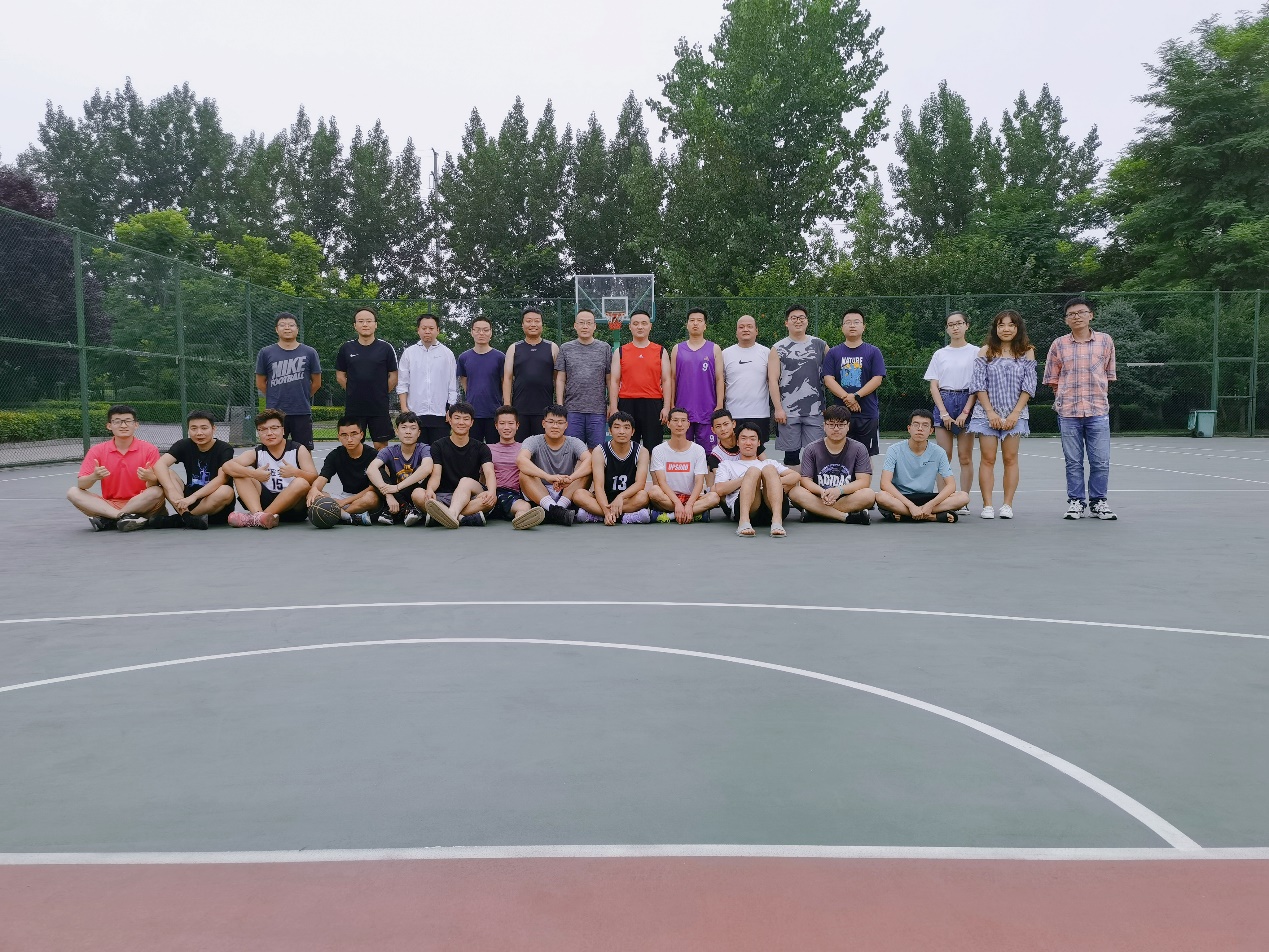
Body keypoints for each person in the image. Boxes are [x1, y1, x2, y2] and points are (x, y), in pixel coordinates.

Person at [1045, 297, 1118, 521]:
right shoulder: (1059, 344)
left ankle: (1099, 502)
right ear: (1066, 320)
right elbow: (1053, 379)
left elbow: (1109, 375)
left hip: (1097, 411)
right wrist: (1062, 398)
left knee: (1101, 461)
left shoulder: (1105, 341)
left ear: (1091, 315)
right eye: (1071, 314)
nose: (1076, 317)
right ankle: (1076, 502)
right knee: (1073, 461)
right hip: (1068, 412)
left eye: (1081, 312)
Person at [969, 310, 1037, 520]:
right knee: (988, 459)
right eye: (1001, 325)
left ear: (1018, 328)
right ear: (995, 328)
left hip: (1015, 415)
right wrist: (990, 413)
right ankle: (987, 505)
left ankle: (1007, 505)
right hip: (985, 414)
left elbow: (1029, 385)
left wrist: (1015, 413)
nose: (1006, 329)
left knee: (1010, 458)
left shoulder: (1027, 352)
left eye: (1011, 325)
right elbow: (978, 384)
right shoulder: (985, 351)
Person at [67, 404, 166, 531]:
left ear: (136, 425)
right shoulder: (97, 450)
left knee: (157, 491)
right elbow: (82, 484)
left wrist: (150, 478)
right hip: (110, 505)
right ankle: (121, 517)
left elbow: (157, 485)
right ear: (109, 426)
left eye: (128, 421)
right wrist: (94, 477)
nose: (123, 425)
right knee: (73, 492)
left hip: (142, 504)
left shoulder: (149, 449)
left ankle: (110, 521)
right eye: (117, 422)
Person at [222, 409, 318, 528]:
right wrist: (254, 474)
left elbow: (314, 478)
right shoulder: (257, 452)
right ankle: (259, 515)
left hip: (294, 507)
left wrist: (295, 472)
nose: (269, 433)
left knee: (301, 483)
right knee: (240, 474)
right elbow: (227, 466)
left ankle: (257, 518)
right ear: (258, 432)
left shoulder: (298, 449)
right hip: (265, 500)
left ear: (283, 430)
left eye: (274, 428)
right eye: (263, 429)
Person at [924, 311, 978, 512]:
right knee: (943, 456)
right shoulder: (940, 354)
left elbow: (977, 385)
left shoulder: (976, 352)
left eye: (959, 323)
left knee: (965, 457)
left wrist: (965, 411)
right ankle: (942, 501)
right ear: (946, 329)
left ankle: (963, 501)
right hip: (944, 401)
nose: (955, 327)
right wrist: (944, 412)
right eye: (951, 324)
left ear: (967, 325)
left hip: (967, 400)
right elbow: (933, 386)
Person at [874, 409, 969, 523]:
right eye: (916, 424)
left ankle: (907, 515)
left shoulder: (939, 452)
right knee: (881, 497)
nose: (920, 429)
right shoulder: (894, 449)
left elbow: (951, 485)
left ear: (931, 430)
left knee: (963, 497)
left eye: (925, 425)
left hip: (926, 497)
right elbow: (885, 483)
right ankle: (931, 516)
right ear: (909, 428)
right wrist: (910, 506)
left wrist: (930, 505)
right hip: (901, 498)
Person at [148, 410, 237, 528]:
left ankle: (181, 519)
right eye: (194, 428)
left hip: (214, 505)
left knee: (226, 490)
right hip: (187, 503)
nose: (199, 433)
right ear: (188, 429)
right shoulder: (184, 444)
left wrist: (193, 497)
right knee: (167, 473)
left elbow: (222, 478)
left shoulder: (224, 448)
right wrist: (171, 490)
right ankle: (188, 518)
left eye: (204, 428)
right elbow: (160, 464)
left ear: (213, 429)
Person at [787, 405, 875, 525]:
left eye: (841, 425)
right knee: (795, 492)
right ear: (824, 426)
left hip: (847, 496)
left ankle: (816, 513)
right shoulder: (811, 448)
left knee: (869, 495)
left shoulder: (859, 448)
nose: (836, 429)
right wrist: (822, 492)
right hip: (819, 496)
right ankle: (844, 516)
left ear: (848, 426)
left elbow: (864, 481)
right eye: (831, 424)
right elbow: (805, 480)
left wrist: (839, 490)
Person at [421, 402, 497, 528]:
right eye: (457, 418)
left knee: (469, 484)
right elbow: (436, 475)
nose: (461, 422)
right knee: (418, 494)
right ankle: (462, 518)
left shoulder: (481, 447)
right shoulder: (438, 446)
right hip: (444, 495)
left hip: (471, 495)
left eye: (466, 419)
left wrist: (492, 492)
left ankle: (447, 515)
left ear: (472, 422)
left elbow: (489, 473)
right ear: (449, 420)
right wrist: (430, 489)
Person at [768, 304, 827, 466]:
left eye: (802, 318)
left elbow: (831, 375)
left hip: (815, 409)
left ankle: (812, 483)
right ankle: (792, 483)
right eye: (793, 318)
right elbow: (772, 380)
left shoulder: (820, 345)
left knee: (816, 455)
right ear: (786, 323)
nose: (798, 321)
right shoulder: (778, 348)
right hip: (788, 411)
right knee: (791, 456)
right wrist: (778, 408)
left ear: (807, 321)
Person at [823, 308, 886, 458]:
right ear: (842, 327)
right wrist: (848, 398)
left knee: (865, 456)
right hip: (840, 416)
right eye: (848, 322)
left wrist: (856, 396)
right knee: (840, 455)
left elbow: (877, 379)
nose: (852, 325)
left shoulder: (873, 351)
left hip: (867, 414)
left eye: (856, 322)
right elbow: (828, 379)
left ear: (863, 327)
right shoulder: (833, 353)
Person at [516, 404, 592, 526]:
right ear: (543, 423)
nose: (555, 426)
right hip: (539, 492)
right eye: (551, 422)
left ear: (566, 425)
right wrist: (547, 477)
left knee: (586, 472)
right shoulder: (533, 440)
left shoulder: (574, 442)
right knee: (524, 473)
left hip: (566, 491)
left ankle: (556, 510)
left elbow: (589, 460)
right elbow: (521, 460)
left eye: (560, 423)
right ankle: (556, 511)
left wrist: (571, 478)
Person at [254, 312, 321, 450]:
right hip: (275, 412)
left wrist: (304, 396)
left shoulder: (310, 352)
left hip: (301, 411)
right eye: (282, 325)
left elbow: (316, 382)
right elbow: (260, 383)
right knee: (273, 449)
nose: (287, 328)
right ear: (276, 329)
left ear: (297, 329)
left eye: (291, 325)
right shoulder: (266, 352)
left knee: (304, 450)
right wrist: (274, 396)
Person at [712, 423, 791, 538]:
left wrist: (772, 482)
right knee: (753, 471)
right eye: (744, 439)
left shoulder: (768, 463)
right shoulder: (727, 465)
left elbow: (795, 476)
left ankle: (777, 521)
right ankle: (744, 522)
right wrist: (748, 479)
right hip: (748, 509)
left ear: (758, 443)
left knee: (769, 469)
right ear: (737, 442)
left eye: (752, 439)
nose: (748, 443)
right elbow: (719, 489)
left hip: (772, 505)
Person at [572, 410, 651, 525]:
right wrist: (606, 510)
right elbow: (599, 486)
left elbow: (640, 484)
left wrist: (621, 497)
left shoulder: (642, 451)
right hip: (603, 499)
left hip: (627, 499)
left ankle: (597, 516)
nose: (622, 431)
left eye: (626, 427)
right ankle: (624, 517)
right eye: (617, 427)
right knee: (578, 495)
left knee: (643, 497)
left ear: (633, 431)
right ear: (610, 430)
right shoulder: (600, 451)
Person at [336, 306, 398, 449]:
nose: (365, 324)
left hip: (379, 407)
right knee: (354, 445)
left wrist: (381, 392)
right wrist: (353, 391)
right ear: (355, 325)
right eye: (361, 321)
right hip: (354, 407)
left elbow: (394, 376)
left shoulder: (386, 348)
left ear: (375, 324)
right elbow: (340, 376)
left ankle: (382, 466)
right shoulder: (346, 348)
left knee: (380, 445)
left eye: (369, 321)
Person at [609, 310, 669, 452]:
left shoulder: (660, 351)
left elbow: (666, 380)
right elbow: (614, 381)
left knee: (654, 448)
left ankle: (653, 468)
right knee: (627, 447)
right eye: (636, 324)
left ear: (650, 326)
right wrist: (613, 407)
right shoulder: (621, 351)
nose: (640, 327)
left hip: (653, 403)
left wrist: (666, 407)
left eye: (644, 323)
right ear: (630, 326)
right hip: (627, 403)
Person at [305, 417, 381, 525]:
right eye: (344, 435)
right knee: (314, 495)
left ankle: (338, 515)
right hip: (344, 496)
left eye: (354, 434)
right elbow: (322, 477)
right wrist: (314, 489)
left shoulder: (373, 455)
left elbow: (373, 487)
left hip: (365, 497)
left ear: (361, 435)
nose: (349, 439)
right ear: (339, 437)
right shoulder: (335, 455)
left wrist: (345, 502)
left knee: (371, 498)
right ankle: (349, 517)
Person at [555, 309, 613, 449]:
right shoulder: (565, 348)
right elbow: (560, 379)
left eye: (589, 323)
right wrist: (560, 405)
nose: (585, 326)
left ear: (595, 326)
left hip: (597, 411)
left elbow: (610, 380)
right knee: (573, 450)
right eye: (581, 323)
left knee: (597, 451)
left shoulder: (605, 348)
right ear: (575, 325)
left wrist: (611, 404)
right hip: (572, 410)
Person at [397, 312, 457, 445]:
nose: (427, 331)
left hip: (441, 414)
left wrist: (451, 409)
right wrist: (404, 408)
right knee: (417, 452)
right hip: (415, 413)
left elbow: (452, 385)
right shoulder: (409, 353)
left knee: (438, 452)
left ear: (438, 330)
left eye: (431, 328)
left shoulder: (447, 354)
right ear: (418, 330)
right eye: (424, 328)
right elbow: (402, 383)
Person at [365, 411, 434, 526]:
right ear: (397, 431)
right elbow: (371, 469)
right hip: (393, 494)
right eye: (404, 427)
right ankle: (405, 508)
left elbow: (427, 468)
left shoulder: (424, 448)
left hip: (415, 492)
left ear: (419, 433)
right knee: (378, 472)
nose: (408, 432)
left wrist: (397, 487)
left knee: (420, 470)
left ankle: (393, 511)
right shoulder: (389, 451)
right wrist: (389, 496)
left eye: (413, 428)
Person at [671, 307, 724, 454]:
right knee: (682, 453)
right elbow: (672, 378)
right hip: (682, 411)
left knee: (709, 454)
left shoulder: (714, 348)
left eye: (699, 320)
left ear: (705, 325)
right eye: (692, 320)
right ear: (687, 324)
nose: (695, 323)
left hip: (707, 410)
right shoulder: (677, 349)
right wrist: (671, 404)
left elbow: (719, 378)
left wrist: (719, 404)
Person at [648, 408, 714, 523]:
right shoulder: (658, 450)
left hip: (691, 498)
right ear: (668, 424)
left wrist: (689, 504)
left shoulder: (698, 450)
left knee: (714, 497)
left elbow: (699, 482)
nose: (679, 424)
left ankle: (671, 515)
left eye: (683, 420)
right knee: (654, 491)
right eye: (675, 420)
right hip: (668, 498)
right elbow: (661, 482)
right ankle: (694, 514)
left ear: (688, 424)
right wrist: (677, 503)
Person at [503, 307, 559, 441]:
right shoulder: (514, 348)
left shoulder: (552, 347)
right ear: (522, 325)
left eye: (537, 321)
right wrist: (507, 405)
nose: (533, 324)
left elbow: (558, 379)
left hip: (545, 410)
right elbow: (507, 378)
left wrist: (558, 404)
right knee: (520, 447)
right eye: (529, 321)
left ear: (542, 324)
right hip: (520, 409)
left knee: (542, 447)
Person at [708, 408, 797, 491]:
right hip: (737, 489)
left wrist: (770, 482)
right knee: (714, 490)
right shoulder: (715, 455)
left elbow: (766, 464)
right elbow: (722, 484)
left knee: (792, 486)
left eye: (726, 424)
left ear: (733, 424)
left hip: (759, 485)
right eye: (718, 426)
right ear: (713, 430)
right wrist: (748, 480)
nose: (723, 429)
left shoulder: (749, 441)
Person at [487, 405, 546, 530]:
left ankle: (520, 519)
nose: (506, 427)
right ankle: (457, 515)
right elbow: (483, 475)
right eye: (502, 423)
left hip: (513, 495)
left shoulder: (525, 449)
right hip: (490, 493)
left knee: (524, 506)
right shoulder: (487, 449)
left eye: (510, 423)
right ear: (496, 425)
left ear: (517, 425)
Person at [723, 314, 772, 443]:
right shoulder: (725, 354)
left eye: (749, 326)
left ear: (756, 331)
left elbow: (772, 382)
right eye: (741, 327)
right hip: (733, 414)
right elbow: (720, 383)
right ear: (736, 332)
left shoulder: (767, 352)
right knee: (733, 450)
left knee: (758, 451)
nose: (745, 329)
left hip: (760, 414)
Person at [456, 317, 506, 443]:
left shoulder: (500, 357)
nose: (481, 333)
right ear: (472, 332)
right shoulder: (464, 358)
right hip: (472, 413)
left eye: (485, 330)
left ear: (491, 332)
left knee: (494, 449)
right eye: (477, 330)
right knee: (472, 449)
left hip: (494, 412)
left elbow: (505, 382)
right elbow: (464, 381)